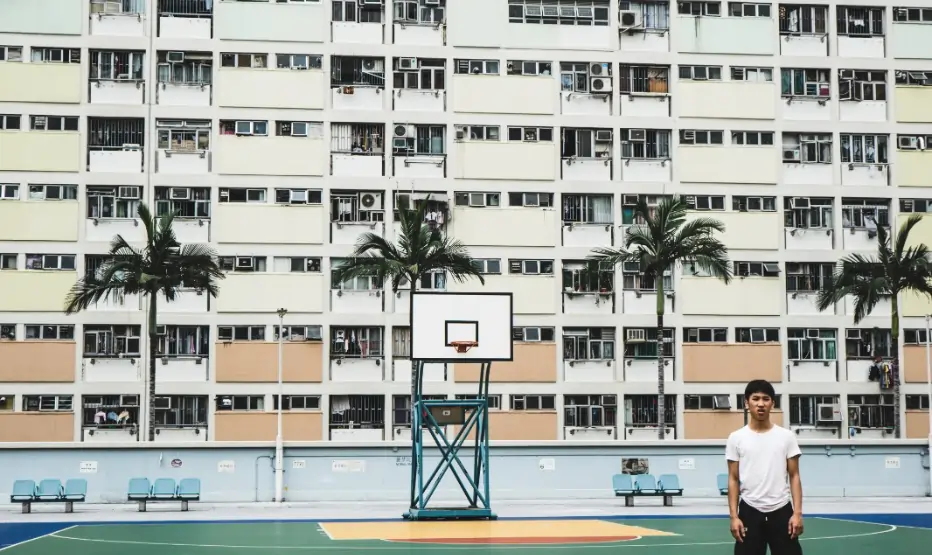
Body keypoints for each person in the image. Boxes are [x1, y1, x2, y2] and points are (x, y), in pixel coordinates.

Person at [726, 379, 804, 555]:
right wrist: (734, 516)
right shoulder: (736, 438)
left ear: (772, 403)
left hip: (782, 510)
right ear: (746, 403)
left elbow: (794, 476)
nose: (760, 404)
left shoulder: (787, 437)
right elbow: (733, 478)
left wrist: (797, 513)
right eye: (755, 398)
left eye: (766, 399)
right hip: (750, 510)